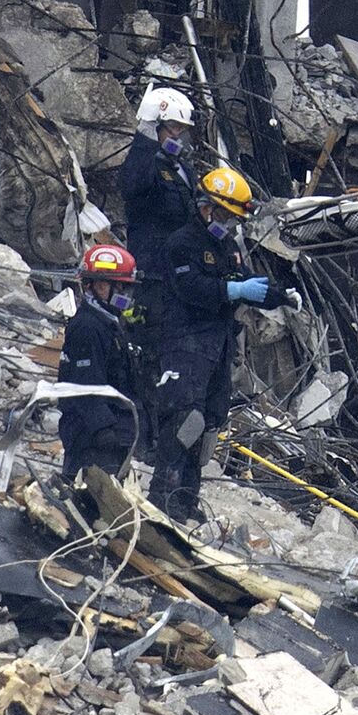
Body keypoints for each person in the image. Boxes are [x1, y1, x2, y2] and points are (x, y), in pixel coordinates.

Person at [150, 167, 298, 520]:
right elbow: (191, 288)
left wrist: (281, 296)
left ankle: (186, 500)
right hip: (186, 342)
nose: (229, 225)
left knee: (209, 424)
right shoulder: (182, 243)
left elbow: (248, 284)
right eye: (226, 216)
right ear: (206, 207)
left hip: (218, 347)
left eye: (234, 219)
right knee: (184, 420)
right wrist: (232, 290)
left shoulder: (227, 248)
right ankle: (163, 496)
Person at [119, 87, 206, 450]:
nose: (179, 136)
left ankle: (165, 438)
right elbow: (131, 186)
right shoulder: (145, 164)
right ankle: (143, 441)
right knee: (146, 356)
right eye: (173, 128)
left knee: (173, 360)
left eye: (182, 130)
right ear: (154, 125)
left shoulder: (180, 167)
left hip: (176, 280)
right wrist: (145, 142)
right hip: (151, 279)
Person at [57, 244, 140, 479]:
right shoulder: (87, 327)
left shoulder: (110, 323)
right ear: (100, 286)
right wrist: (104, 430)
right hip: (91, 437)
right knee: (85, 494)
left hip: (112, 432)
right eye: (120, 287)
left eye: (127, 287)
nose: (125, 295)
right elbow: (85, 385)